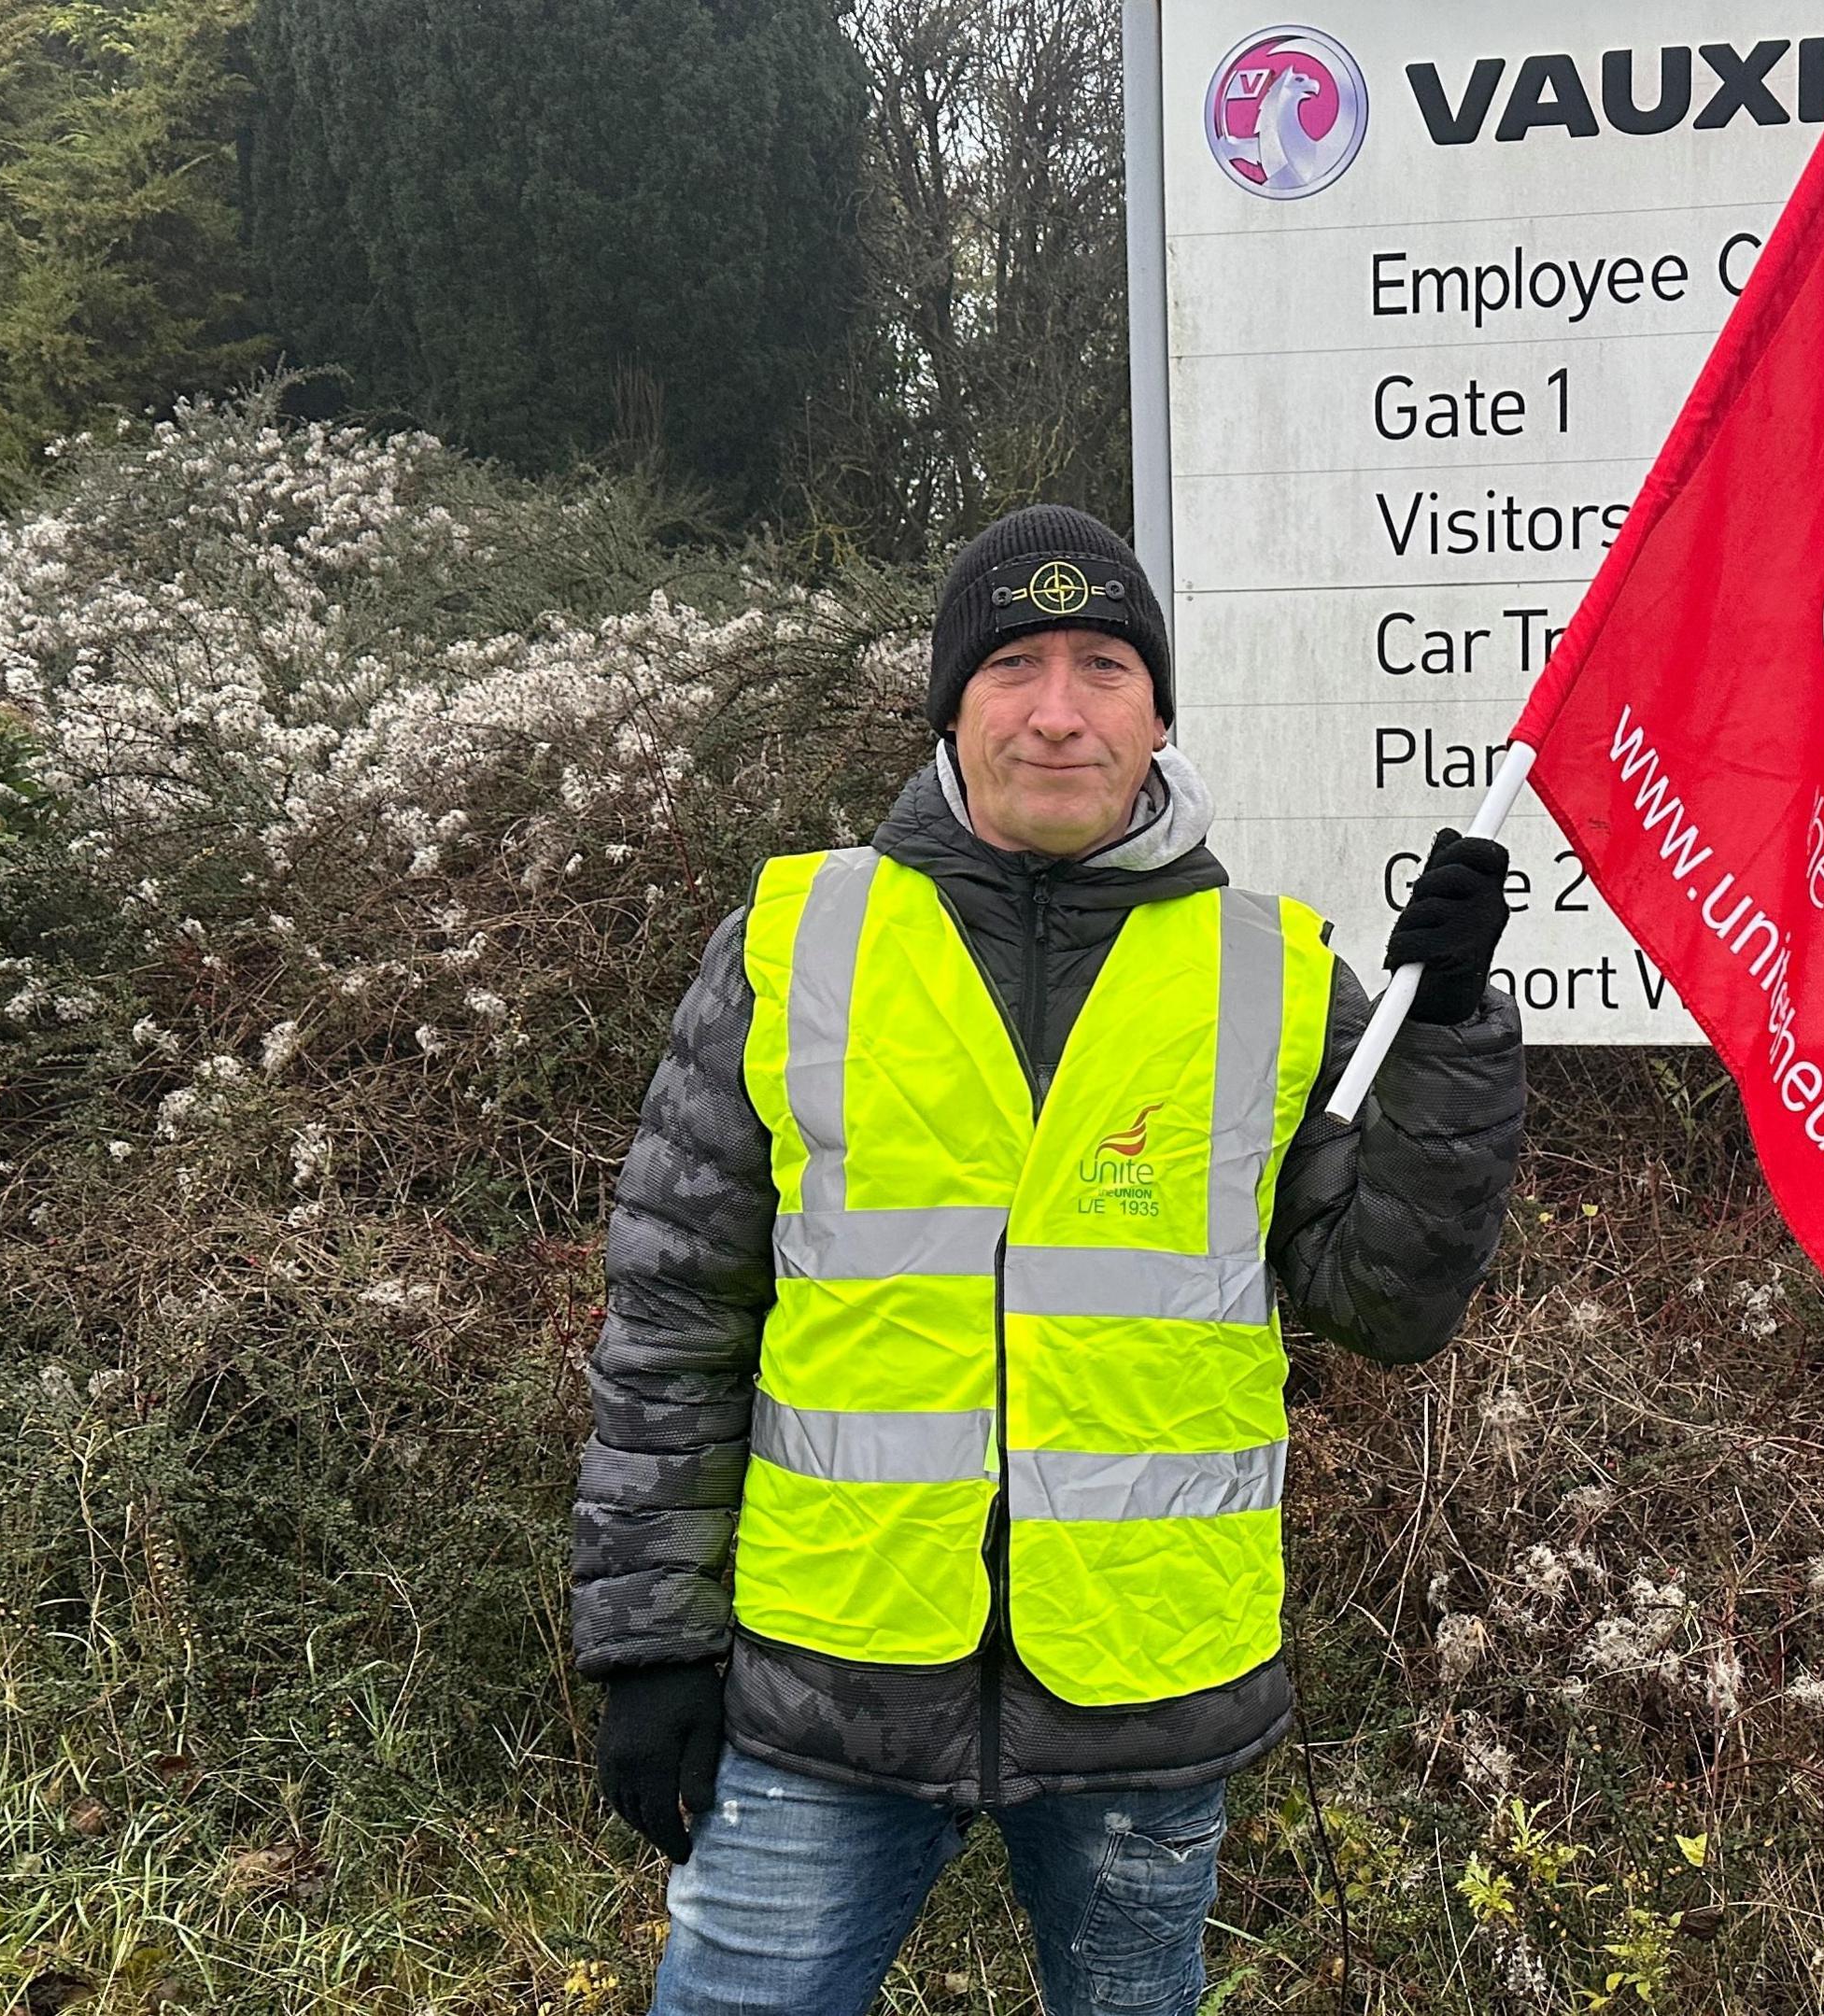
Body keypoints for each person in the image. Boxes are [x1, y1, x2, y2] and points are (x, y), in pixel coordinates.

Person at [567, 503, 1526, 2016]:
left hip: (1146, 1700)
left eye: (1104, 667)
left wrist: (1451, 1037)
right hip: (825, 1683)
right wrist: (648, 1645)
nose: (1059, 709)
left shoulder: (1276, 974)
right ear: (952, 702)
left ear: (1157, 712)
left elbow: (1386, 1305)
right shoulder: (796, 936)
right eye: (1015, 664)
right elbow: (676, 1318)